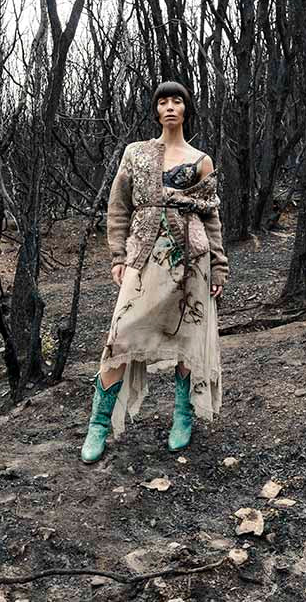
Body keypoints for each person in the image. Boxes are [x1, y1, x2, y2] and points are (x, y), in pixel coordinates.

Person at [80, 81, 229, 464]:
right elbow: (119, 207)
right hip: (145, 254)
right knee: (120, 334)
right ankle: (99, 423)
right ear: (156, 110)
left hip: (192, 259)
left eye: (177, 100)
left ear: (186, 109)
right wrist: (118, 256)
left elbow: (211, 218)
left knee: (188, 337)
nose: (170, 107)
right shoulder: (136, 153)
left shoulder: (201, 160)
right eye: (163, 101)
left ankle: (182, 416)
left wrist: (219, 267)